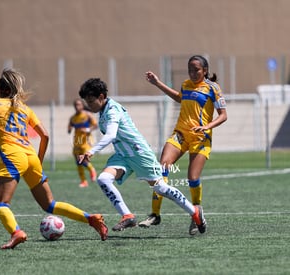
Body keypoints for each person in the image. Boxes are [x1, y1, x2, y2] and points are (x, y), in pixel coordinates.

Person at [0, 69, 108, 249]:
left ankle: (17, 233)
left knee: (1, 204)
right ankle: (92, 219)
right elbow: (45, 136)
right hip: (31, 156)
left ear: (0, 90)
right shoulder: (25, 109)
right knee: (50, 204)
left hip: (13, 156)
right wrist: (39, 160)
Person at [78, 78, 206, 233]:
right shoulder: (103, 110)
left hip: (139, 153)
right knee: (103, 179)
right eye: (87, 102)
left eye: (91, 101)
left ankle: (195, 212)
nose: (88, 106)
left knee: (160, 188)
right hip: (123, 155)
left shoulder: (112, 110)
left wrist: (91, 151)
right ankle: (127, 216)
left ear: (101, 97)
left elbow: (111, 135)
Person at [140, 55, 227, 235]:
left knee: (192, 178)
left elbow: (223, 115)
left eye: (197, 70)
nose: (193, 73)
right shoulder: (186, 84)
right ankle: (155, 214)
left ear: (205, 70)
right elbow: (180, 98)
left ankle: (196, 215)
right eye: (190, 69)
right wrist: (158, 83)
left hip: (200, 137)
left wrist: (206, 127)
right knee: (160, 169)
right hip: (180, 134)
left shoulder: (213, 88)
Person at [67, 98, 98, 188]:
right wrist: (69, 128)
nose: (77, 106)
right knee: (78, 162)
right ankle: (84, 181)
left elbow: (95, 125)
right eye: (75, 105)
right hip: (77, 141)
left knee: (84, 159)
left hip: (86, 141)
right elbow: (69, 129)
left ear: (82, 105)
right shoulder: (73, 118)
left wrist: (88, 129)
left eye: (79, 104)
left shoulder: (87, 115)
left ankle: (92, 170)